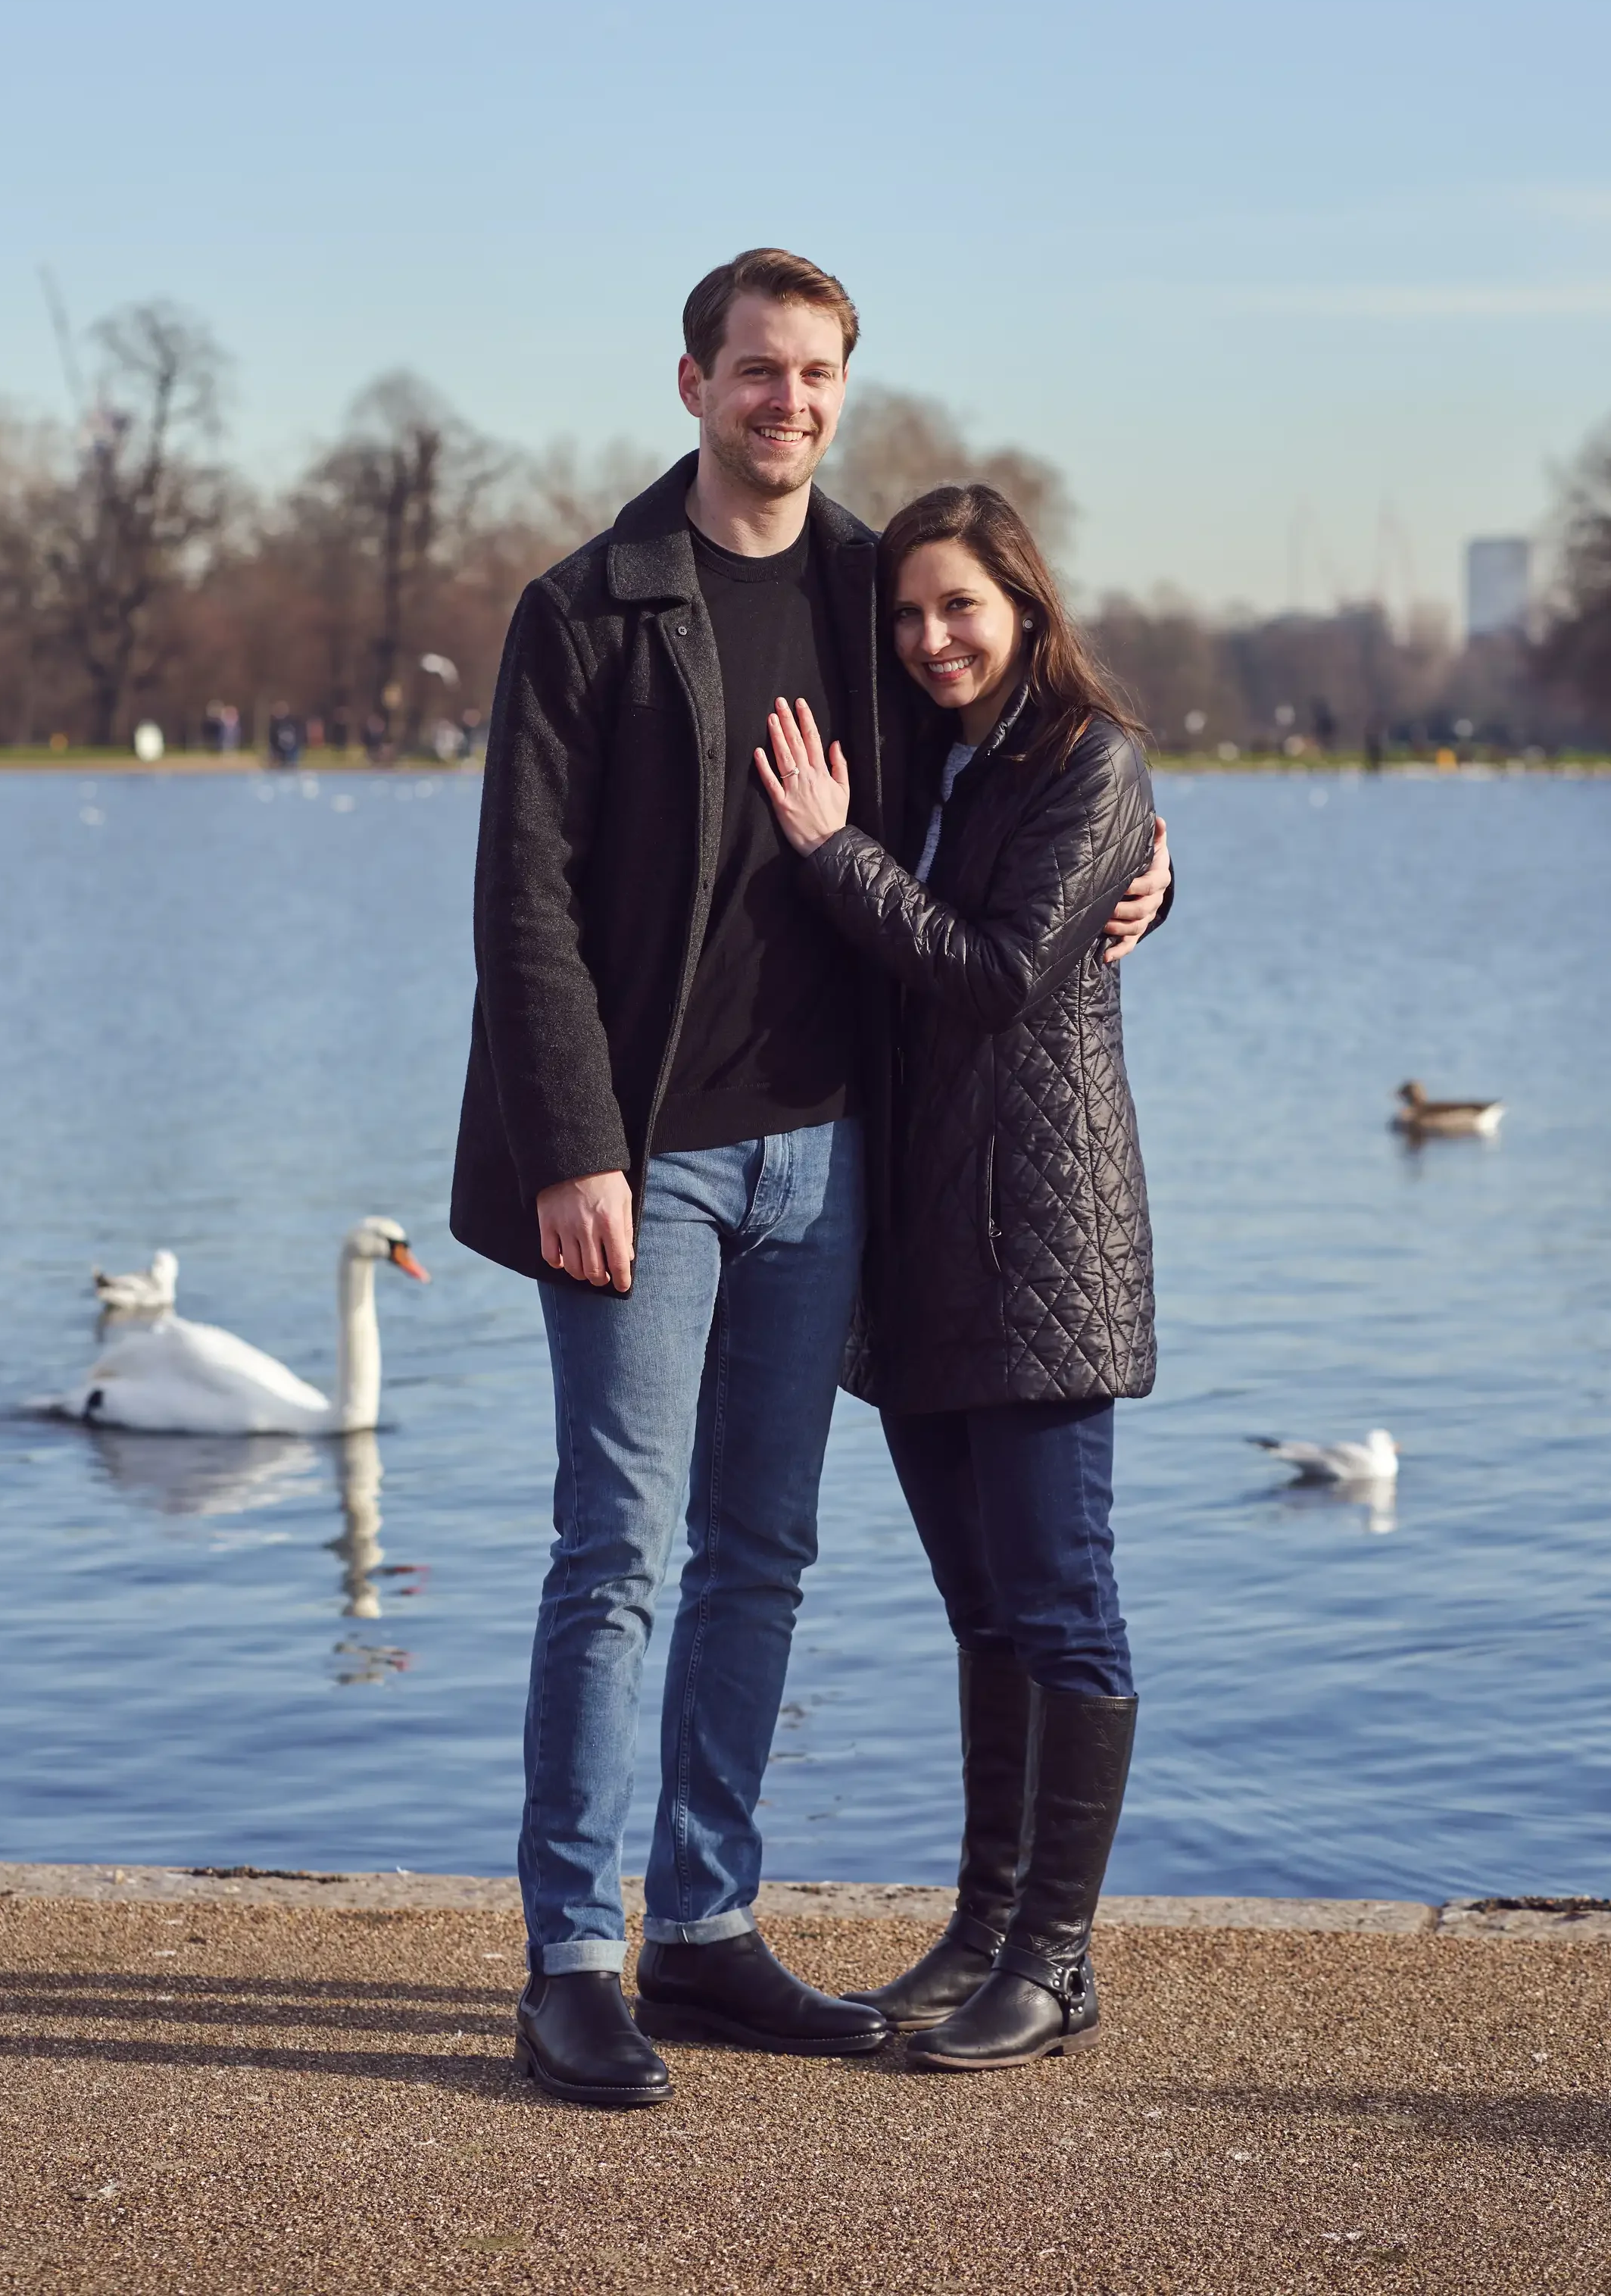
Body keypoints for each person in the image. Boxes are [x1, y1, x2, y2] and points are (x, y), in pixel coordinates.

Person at [451, 249, 1172, 2111]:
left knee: (760, 1555)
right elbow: (519, 899)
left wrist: (1152, 873)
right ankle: (569, 1958)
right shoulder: (589, 603)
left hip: (830, 1155)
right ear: (688, 381)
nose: (786, 400)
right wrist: (573, 1144)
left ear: (843, 388)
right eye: (755, 369)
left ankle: (702, 1921)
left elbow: (1027, 780)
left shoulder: (872, 591)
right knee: (616, 1549)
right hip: (647, 1158)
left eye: (817, 372)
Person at [757, 481, 1162, 2072]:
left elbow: (996, 974)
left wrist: (827, 849)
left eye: (959, 610)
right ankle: (984, 1927)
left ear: (1024, 607)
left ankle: (1055, 1960)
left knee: (1065, 1605)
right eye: (910, 614)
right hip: (918, 1254)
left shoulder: (1088, 762)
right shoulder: (934, 756)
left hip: (1045, 1245)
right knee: (979, 1608)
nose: (930, 640)